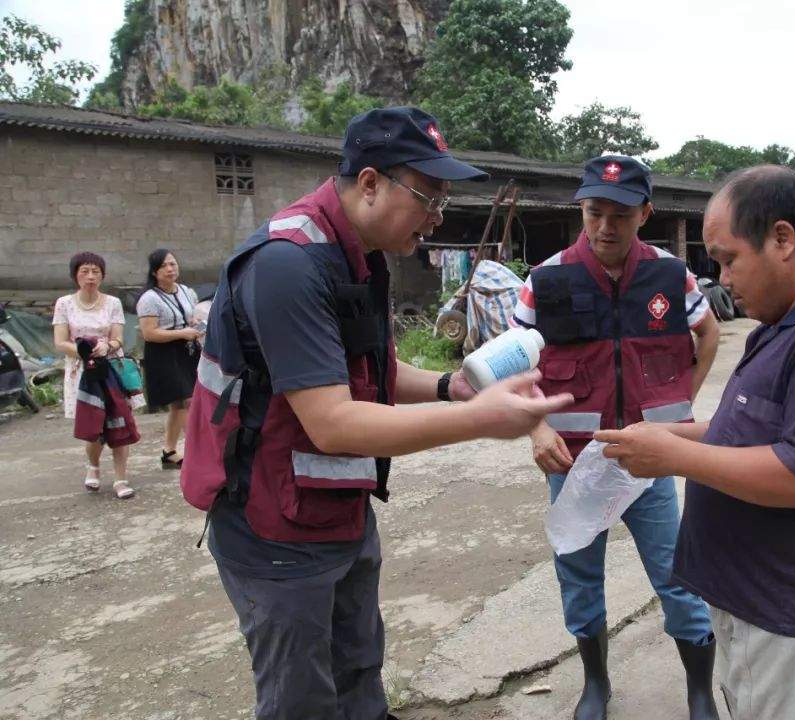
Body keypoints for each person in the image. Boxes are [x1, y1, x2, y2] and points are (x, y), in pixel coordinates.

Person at [180, 107, 572, 720]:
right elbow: (333, 421)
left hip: (338, 509)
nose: (437, 216)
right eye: (429, 197)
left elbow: (370, 372)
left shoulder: (359, 257)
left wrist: (451, 389)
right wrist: (481, 422)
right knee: (302, 700)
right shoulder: (288, 264)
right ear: (370, 183)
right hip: (274, 525)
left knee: (360, 671)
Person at [597, 165, 795, 720]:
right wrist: (669, 433)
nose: (724, 279)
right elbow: (751, 435)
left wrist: (673, 456)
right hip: (761, 608)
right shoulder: (788, 321)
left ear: (782, 239)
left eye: (728, 259)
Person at [512, 155, 723, 720]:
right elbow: (513, 368)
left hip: (648, 461)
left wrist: (682, 402)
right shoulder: (546, 279)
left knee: (677, 575)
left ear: (645, 213)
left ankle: (699, 692)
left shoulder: (668, 274)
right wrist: (535, 427)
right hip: (574, 465)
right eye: (594, 212)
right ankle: (596, 685)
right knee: (579, 578)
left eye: (621, 215)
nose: (605, 227)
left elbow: (709, 331)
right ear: (580, 209)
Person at [53, 252, 138, 499]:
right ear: (75, 275)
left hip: (112, 370)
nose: (90, 277)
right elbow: (60, 342)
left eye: (95, 272)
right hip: (82, 373)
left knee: (120, 420)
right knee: (93, 424)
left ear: (102, 275)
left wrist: (108, 346)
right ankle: (93, 466)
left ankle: (121, 478)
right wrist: (84, 352)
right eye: (84, 272)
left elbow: (119, 338)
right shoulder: (64, 303)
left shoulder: (113, 302)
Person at [137, 249, 203, 469]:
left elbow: (192, 316)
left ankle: (169, 451)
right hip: (164, 353)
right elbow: (149, 333)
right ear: (155, 271)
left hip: (188, 350)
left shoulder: (187, 291)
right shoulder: (149, 298)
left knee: (180, 404)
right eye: (164, 265)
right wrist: (181, 333)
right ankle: (197, 451)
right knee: (187, 400)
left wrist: (194, 323)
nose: (170, 269)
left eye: (173, 264)